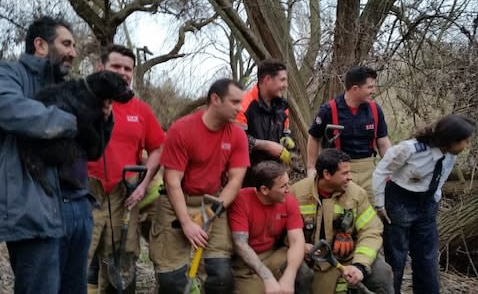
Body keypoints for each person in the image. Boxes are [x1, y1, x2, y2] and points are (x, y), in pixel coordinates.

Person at [0, 16, 78, 294]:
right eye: (66, 43)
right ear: (40, 45)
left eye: (74, 45)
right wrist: (71, 122)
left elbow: (90, 149)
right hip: (29, 213)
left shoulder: (64, 88)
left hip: (60, 211)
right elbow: (11, 110)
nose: (73, 52)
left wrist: (102, 118)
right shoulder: (9, 74)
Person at [151, 78, 249, 293]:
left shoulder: (238, 135)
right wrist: (186, 223)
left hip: (213, 202)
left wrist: (212, 210)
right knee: (172, 282)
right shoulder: (182, 129)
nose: (240, 108)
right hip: (177, 202)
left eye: (240, 102)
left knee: (221, 276)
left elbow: (236, 180)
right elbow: (172, 180)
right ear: (215, 99)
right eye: (234, 102)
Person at [86, 44, 166, 293]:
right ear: (101, 67)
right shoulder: (82, 100)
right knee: (78, 256)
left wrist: (143, 184)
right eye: (116, 66)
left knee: (122, 258)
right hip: (86, 191)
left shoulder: (141, 110)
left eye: (127, 68)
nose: (122, 72)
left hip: (124, 193)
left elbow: (158, 148)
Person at [372, 114, 476, 294]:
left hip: (426, 206)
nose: (466, 146)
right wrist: (380, 205)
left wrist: (434, 199)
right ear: (450, 139)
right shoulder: (410, 150)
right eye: (464, 141)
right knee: (396, 258)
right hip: (399, 204)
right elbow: (381, 171)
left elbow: (440, 177)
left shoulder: (450, 154)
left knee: (427, 259)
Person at [291, 149, 394, 294]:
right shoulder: (296, 193)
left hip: (347, 259)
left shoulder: (357, 194)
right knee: (299, 275)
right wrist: (299, 246)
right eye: (345, 173)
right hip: (307, 258)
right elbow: (280, 231)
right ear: (326, 174)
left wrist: (360, 265)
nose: (350, 178)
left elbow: (371, 231)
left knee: (383, 273)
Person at [306, 66, 391, 202]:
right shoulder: (329, 110)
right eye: (369, 87)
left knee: (371, 214)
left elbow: (383, 141)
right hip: (338, 172)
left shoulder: (375, 110)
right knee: (342, 214)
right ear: (355, 88)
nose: (373, 91)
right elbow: (314, 137)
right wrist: (311, 168)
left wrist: (390, 167)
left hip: (368, 171)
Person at [229, 161, 313, 294]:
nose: (288, 189)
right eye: (283, 186)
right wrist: (267, 277)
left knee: (303, 273)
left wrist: (289, 277)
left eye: (288, 184)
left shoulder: (288, 199)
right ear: (264, 190)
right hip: (246, 262)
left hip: (273, 254)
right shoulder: (241, 200)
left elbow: (297, 241)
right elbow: (241, 245)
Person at [235, 59, 292, 187]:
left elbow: (285, 133)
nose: (286, 85)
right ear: (267, 80)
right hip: (246, 179)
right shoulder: (243, 104)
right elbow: (236, 140)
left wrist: (286, 140)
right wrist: (266, 145)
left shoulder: (283, 107)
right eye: (282, 80)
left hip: (275, 178)